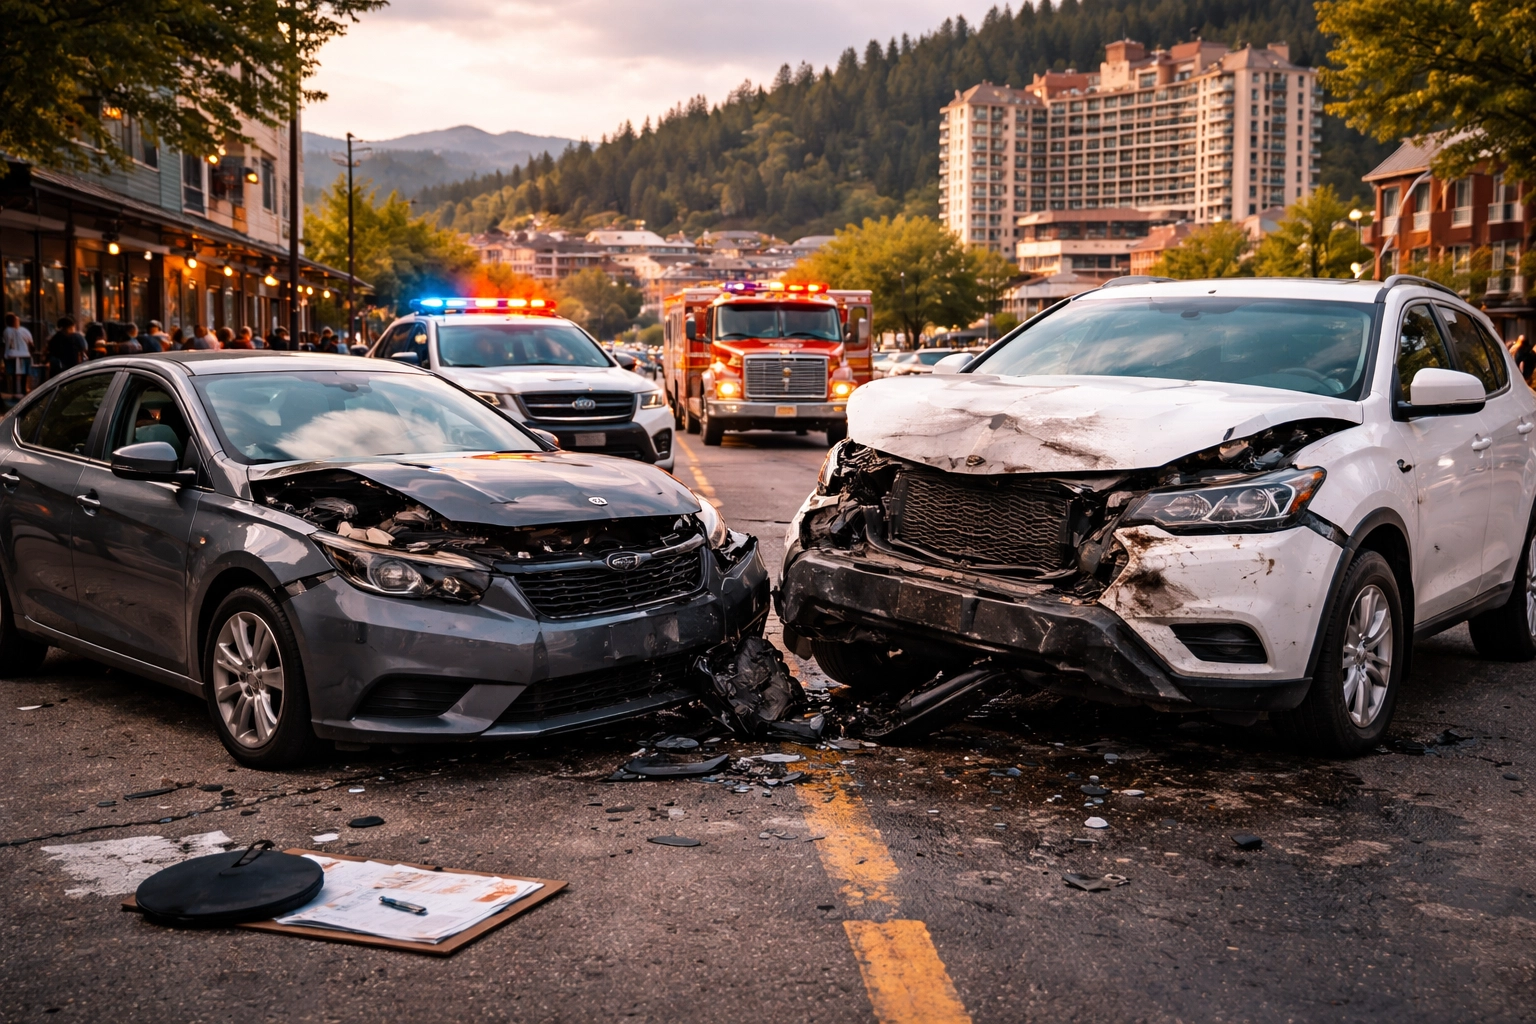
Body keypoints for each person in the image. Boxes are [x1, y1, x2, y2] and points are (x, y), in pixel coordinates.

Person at [3, 313, 34, 398]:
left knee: (17, 375)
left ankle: (19, 392)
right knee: (19, 375)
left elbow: (7, 343)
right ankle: (19, 392)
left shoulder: (11, 330)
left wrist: (5, 353)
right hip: (20, 355)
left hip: (15, 355)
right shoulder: (19, 331)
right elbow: (31, 344)